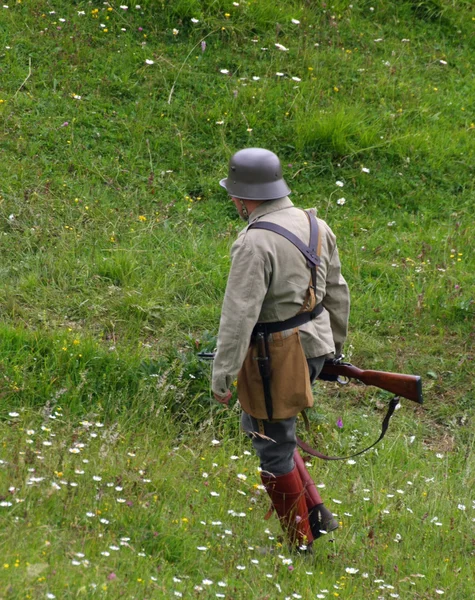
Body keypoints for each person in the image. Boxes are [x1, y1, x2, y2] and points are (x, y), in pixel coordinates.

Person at [212, 148, 350, 551]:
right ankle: (317, 515)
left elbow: (238, 317)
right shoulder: (316, 224)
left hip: (276, 355)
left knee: (271, 444)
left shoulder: (254, 243)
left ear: (242, 196)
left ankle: (300, 544)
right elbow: (338, 293)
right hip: (314, 344)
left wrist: (222, 377)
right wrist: (333, 350)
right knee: (278, 432)